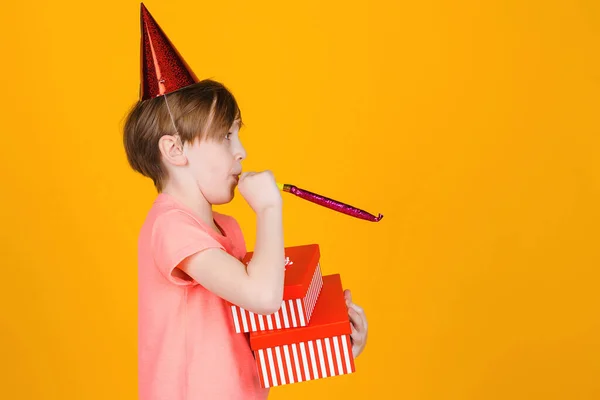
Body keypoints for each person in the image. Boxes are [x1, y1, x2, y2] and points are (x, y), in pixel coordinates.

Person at [123, 4, 368, 399]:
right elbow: (263, 297)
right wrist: (269, 210)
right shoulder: (171, 227)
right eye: (225, 136)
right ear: (174, 149)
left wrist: (334, 342)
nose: (241, 152)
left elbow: (254, 337)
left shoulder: (227, 230)